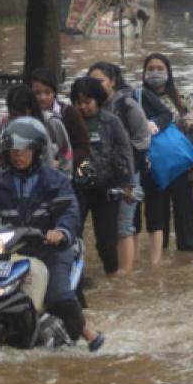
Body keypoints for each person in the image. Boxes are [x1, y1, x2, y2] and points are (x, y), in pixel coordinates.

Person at [0, 117, 104, 351]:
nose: (18, 155)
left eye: (24, 150)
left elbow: (70, 212)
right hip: (10, 248)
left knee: (59, 296)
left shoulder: (55, 181)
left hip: (48, 249)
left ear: (37, 150)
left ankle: (88, 334)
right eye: (13, 151)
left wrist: (59, 232)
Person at [137, 53, 193, 266]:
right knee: (158, 216)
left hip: (180, 164)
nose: (155, 73)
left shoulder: (180, 97)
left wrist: (190, 131)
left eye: (160, 68)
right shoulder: (138, 99)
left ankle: (187, 260)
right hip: (153, 165)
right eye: (151, 68)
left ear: (168, 72)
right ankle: (161, 256)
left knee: (185, 213)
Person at [87, 62, 150, 276]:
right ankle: (117, 269)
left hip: (127, 174)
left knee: (124, 225)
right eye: (92, 81)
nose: (96, 86)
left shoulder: (126, 104)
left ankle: (125, 275)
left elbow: (143, 138)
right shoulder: (89, 107)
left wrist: (123, 158)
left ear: (112, 81)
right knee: (108, 226)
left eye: (100, 81)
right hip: (101, 177)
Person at [69, 76, 134, 277]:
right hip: (76, 189)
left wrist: (127, 184)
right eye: (78, 103)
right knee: (71, 237)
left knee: (106, 242)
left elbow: (124, 151)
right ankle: (75, 278)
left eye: (87, 102)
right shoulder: (68, 122)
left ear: (98, 100)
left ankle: (112, 277)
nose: (82, 107)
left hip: (106, 189)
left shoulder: (111, 122)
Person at [0, 84, 71, 177]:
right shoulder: (0, 126)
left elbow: (66, 151)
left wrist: (64, 176)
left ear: (31, 109)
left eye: (23, 114)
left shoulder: (50, 123)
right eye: (14, 115)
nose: (19, 120)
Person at [30, 68, 90, 177]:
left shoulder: (68, 113)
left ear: (54, 93)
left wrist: (61, 163)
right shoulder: (26, 115)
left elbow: (84, 148)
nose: (42, 98)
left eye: (47, 92)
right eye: (37, 93)